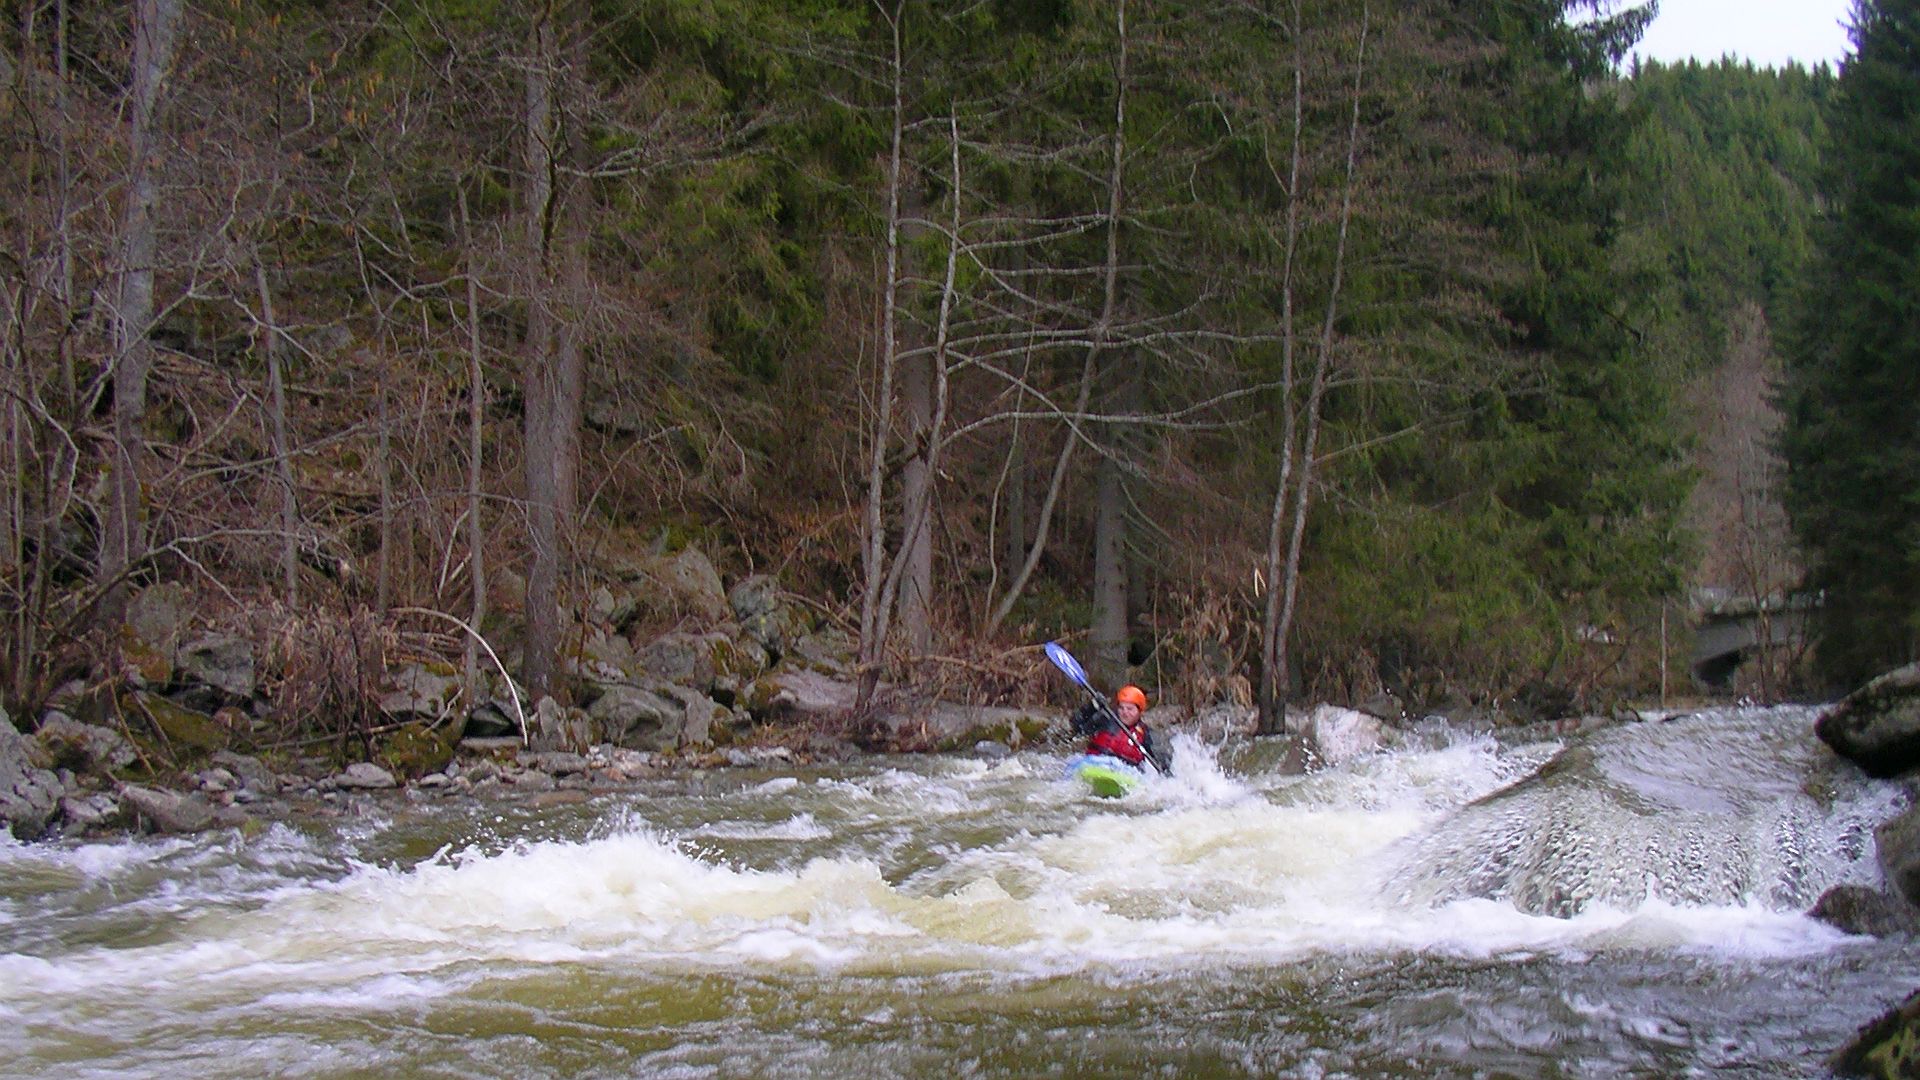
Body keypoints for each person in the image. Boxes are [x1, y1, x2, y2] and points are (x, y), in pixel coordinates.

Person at [1071, 684, 1173, 775]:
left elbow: (1164, 762)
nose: (1125, 713)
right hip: (1094, 764)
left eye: (1130, 709)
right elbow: (1077, 726)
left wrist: (1166, 773)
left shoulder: (1147, 735)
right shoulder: (1105, 719)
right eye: (1121, 708)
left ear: (1140, 711)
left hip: (1124, 773)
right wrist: (1091, 707)